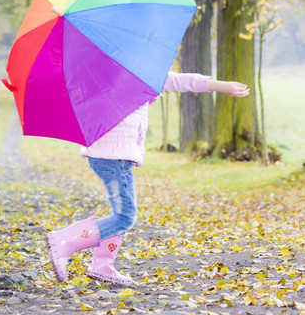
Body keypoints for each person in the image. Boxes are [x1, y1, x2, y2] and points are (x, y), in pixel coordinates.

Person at [47, 72, 249, 285]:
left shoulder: (112, 74)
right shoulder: (129, 72)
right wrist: (221, 85)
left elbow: (178, 81)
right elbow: (178, 81)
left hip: (110, 156)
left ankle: (102, 265)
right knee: (124, 216)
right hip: (113, 157)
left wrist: (220, 85)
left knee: (122, 213)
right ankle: (65, 240)